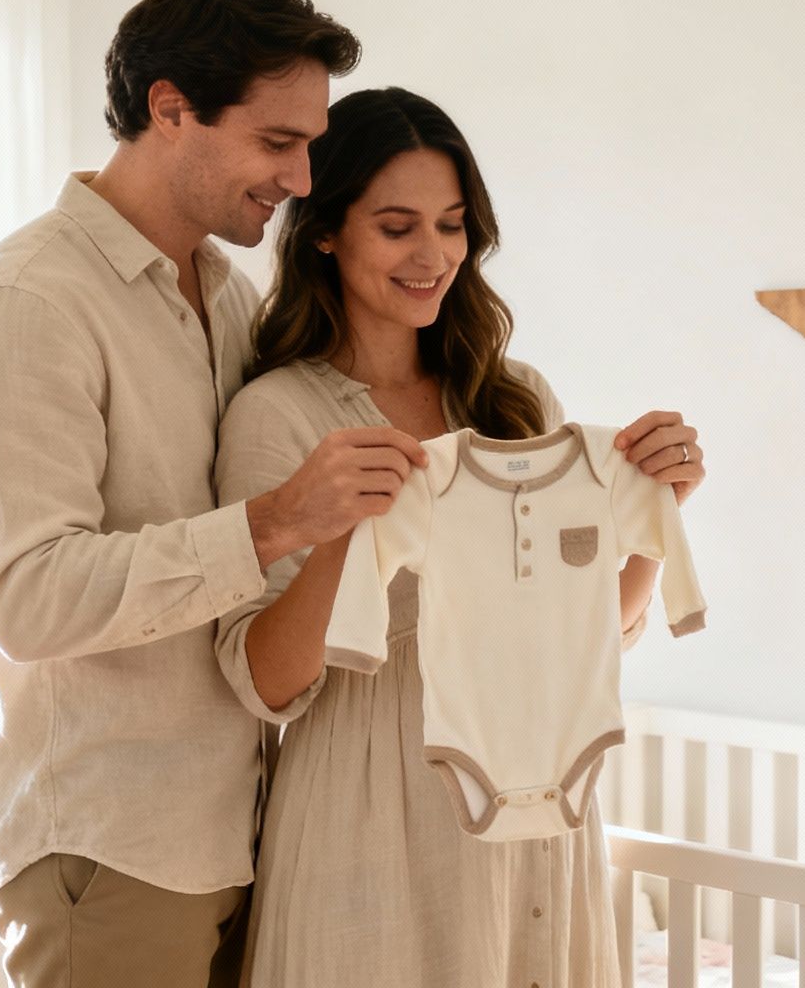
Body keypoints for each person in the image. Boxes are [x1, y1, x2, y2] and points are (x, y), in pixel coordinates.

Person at [0, 0, 430, 988]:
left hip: (242, 824)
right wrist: (276, 521)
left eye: (309, 149)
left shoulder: (227, 296)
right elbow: (26, 597)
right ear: (169, 110)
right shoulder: (27, 305)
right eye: (276, 142)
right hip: (110, 845)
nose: (297, 181)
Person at [212, 87, 708, 986]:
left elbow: (591, 632)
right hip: (368, 806)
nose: (432, 254)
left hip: (534, 793)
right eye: (397, 226)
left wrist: (658, 517)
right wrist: (340, 533)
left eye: (452, 224)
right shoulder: (276, 415)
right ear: (327, 230)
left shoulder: (516, 401)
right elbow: (262, 680)